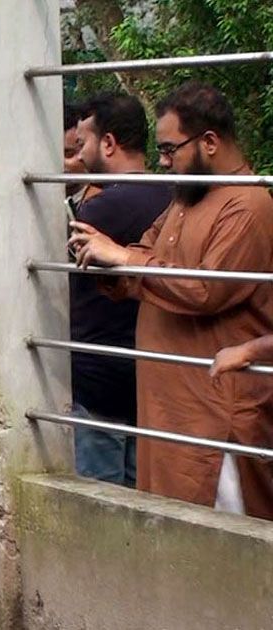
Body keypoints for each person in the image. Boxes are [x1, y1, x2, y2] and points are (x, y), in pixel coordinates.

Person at [69, 81, 273, 519]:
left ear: (210, 143)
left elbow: (204, 288)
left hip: (215, 414)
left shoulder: (250, 205)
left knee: (221, 539)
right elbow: (146, 249)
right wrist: (114, 259)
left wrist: (123, 257)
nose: (161, 162)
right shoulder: (186, 196)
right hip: (167, 409)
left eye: (169, 149)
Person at [67, 92, 171, 486]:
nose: (78, 158)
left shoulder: (97, 211)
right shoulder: (177, 199)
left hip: (98, 382)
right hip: (150, 376)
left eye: (82, 146)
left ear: (107, 143)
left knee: (97, 504)